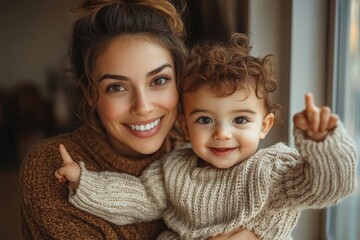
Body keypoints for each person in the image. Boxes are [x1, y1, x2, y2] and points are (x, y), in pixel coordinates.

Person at [55, 33, 358, 240]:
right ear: (186, 127)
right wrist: (84, 180)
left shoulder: (272, 169)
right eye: (204, 119)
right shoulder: (173, 170)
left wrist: (322, 143)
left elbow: (329, 187)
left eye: (240, 119)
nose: (222, 134)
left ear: (264, 125)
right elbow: (136, 197)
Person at [19, 0, 259, 239]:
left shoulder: (204, 145)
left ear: (180, 79)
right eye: (117, 87)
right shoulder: (53, 167)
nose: (143, 107)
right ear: (91, 93)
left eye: (159, 80)